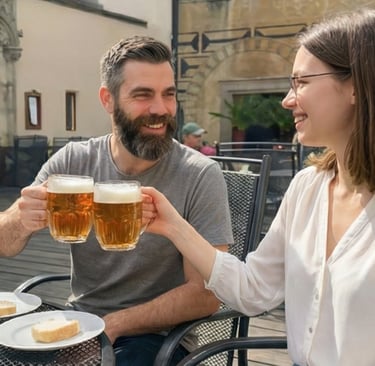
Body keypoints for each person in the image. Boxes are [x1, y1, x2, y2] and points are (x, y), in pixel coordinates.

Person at [141, 9, 375, 366]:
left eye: (302, 82)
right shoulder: (307, 188)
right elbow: (253, 291)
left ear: (357, 85)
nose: (287, 99)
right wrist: (173, 226)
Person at [0, 36, 233, 365]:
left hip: (159, 336)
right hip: (79, 323)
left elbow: (205, 296)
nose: (160, 109)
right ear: (107, 99)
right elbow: (4, 243)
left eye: (169, 95)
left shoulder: (198, 174)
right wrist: (19, 221)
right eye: (143, 95)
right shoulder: (72, 163)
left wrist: (113, 326)